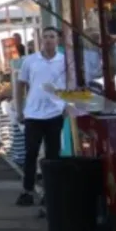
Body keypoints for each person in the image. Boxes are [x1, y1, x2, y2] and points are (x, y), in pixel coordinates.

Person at [15, 26, 67, 206]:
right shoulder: (30, 61)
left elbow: (71, 84)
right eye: (45, 37)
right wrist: (19, 109)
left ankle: (50, 192)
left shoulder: (64, 61)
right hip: (33, 114)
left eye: (52, 36)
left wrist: (68, 105)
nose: (48, 40)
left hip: (55, 112)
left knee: (53, 155)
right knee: (31, 153)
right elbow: (20, 84)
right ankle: (27, 190)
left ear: (58, 40)